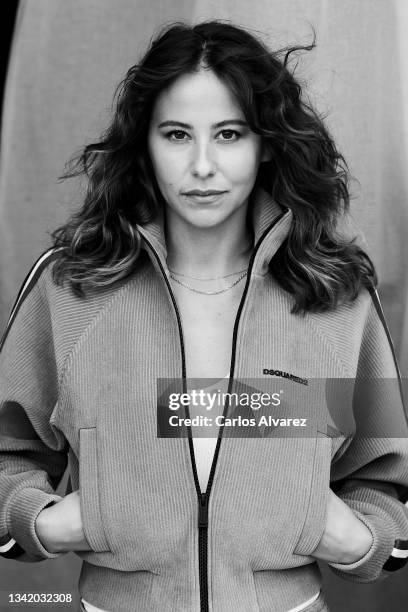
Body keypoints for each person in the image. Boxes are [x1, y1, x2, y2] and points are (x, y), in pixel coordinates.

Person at [1, 20, 408, 612]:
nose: (201, 167)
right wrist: (54, 522)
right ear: (143, 142)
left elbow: (386, 477)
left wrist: (350, 535)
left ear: (266, 141)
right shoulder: (75, 290)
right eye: (175, 134)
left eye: (228, 134)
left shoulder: (333, 296)